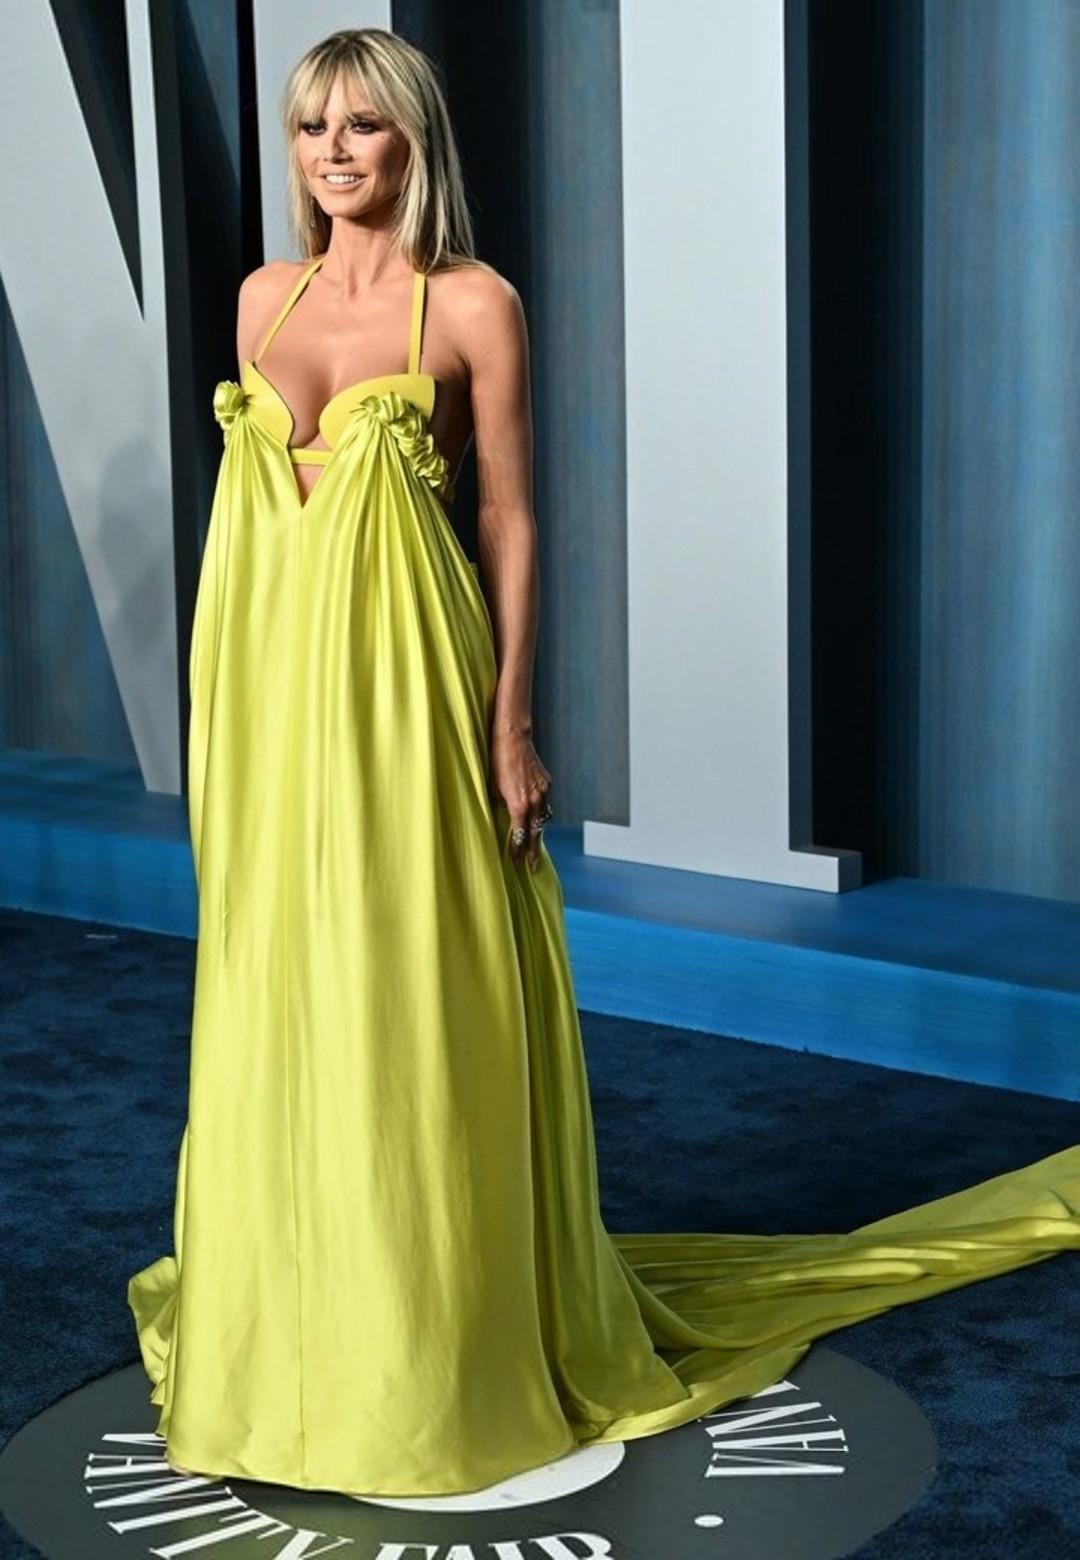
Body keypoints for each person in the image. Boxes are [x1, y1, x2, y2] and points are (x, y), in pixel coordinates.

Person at [127, 26, 1080, 1499]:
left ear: (410, 140)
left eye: (363, 125)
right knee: (273, 974)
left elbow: (508, 517)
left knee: (412, 979)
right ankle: (291, 1312)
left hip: (410, 677)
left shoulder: (473, 303)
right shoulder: (265, 296)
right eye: (312, 125)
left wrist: (510, 719)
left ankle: (432, 1334)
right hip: (260, 680)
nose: (332, 151)